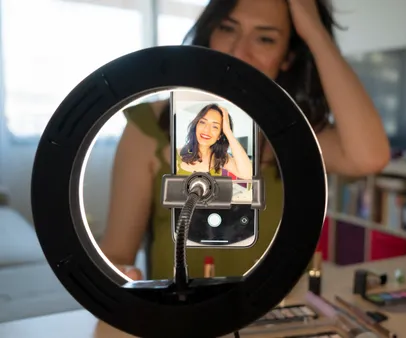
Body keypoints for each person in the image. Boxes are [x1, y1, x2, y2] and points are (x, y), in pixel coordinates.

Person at [100, 0, 390, 280]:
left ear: (288, 56)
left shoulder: (295, 134)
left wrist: (314, 30)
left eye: (265, 39)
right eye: (227, 28)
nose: (239, 51)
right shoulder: (151, 125)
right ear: (209, 33)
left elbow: (370, 156)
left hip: (278, 320)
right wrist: (123, 277)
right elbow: (117, 254)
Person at [176, 103, 252, 179]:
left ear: (220, 135)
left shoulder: (220, 157)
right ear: (196, 126)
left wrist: (228, 132)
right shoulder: (176, 154)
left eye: (215, 126)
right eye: (202, 122)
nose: (206, 130)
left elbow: (248, 174)